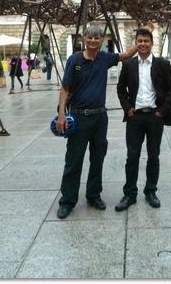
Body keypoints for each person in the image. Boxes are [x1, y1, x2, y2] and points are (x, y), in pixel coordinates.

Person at [56, 24, 142, 219]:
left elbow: (126, 55)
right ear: (84, 38)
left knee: (98, 158)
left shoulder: (105, 58)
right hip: (78, 117)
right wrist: (62, 114)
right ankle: (67, 201)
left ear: (101, 40)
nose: (93, 40)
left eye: (97, 38)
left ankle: (93, 195)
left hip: (99, 117)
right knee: (73, 159)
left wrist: (141, 35)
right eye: (90, 37)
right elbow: (65, 88)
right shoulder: (74, 60)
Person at [115, 28, 171, 212]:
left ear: (152, 43)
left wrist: (162, 112)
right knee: (132, 156)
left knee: (153, 156)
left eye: (146, 41)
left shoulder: (162, 64)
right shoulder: (128, 65)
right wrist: (128, 109)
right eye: (139, 41)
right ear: (136, 43)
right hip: (135, 118)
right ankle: (130, 194)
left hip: (154, 117)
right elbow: (120, 89)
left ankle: (150, 191)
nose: (143, 44)